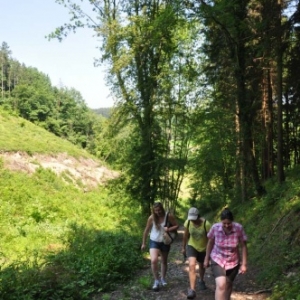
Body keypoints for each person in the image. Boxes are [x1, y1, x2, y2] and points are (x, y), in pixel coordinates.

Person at [203, 208, 248, 300]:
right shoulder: (215, 228)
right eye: (224, 223)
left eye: (229, 223)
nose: (227, 225)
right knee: (221, 284)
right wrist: (206, 258)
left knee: (228, 285)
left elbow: (243, 246)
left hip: (233, 261)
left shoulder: (239, 228)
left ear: (232, 221)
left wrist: (244, 264)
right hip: (217, 258)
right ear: (221, 222)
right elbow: (210, 243)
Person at [141, 202, 179, 291]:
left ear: (162, 208)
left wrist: (169, 229)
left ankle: (163, 278)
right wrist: (143, 243)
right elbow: (146, 230)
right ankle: (156, 280)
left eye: (159, 210)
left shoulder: (168, 216)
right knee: (154, 260)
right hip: (154, 241)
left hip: (165, 241)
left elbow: (177, 225)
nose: (158, 212)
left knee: (164, 261)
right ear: (153, 211)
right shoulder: (151, 218)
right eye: (156, 211)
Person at [182, 207, 211, 299]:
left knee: (201, 266)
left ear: (198, 216)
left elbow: (210, 239)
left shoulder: (206, 224)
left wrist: (209, 253)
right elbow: (185, 235)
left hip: (203, 247)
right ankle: (192, 290)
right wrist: (183, 247)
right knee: (191, 265)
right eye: (191, 219)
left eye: (194, 219)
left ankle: (201, 280)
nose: (193, 221)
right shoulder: (188, 222)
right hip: (192, 245)